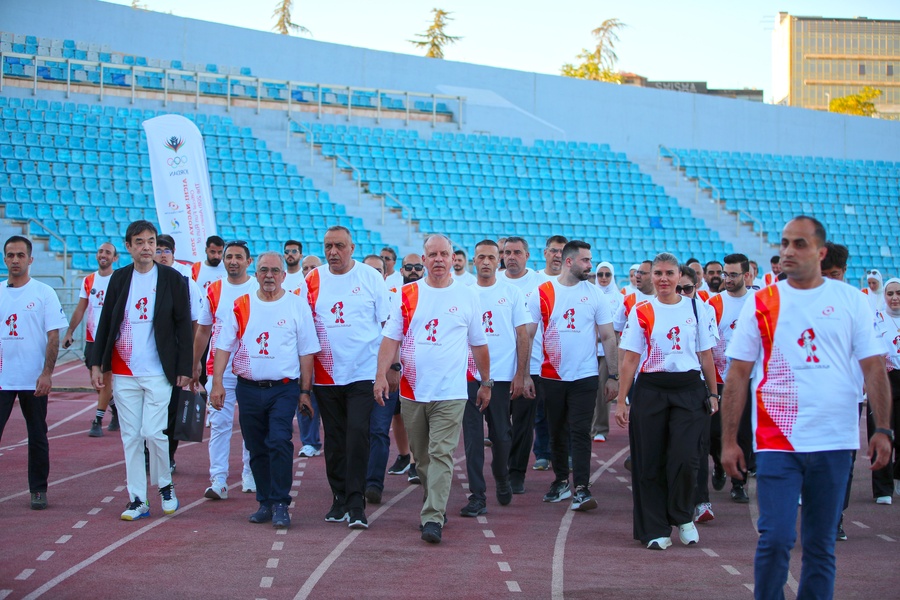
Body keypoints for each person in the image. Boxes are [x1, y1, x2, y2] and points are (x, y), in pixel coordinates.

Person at [721, 216, 892, 599]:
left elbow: (874, 368)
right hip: (776, 439)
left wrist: (883, 429)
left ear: (820, 251)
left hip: (834, 440)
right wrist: (729, 440)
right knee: (776, 538)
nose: (788, 252)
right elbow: (737, 375)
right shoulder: (762, 303)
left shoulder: (852, 301)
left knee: (819, 545)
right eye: (784, 243)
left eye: (799, 244)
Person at [374, 234, 490, 544]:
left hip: (451, 393)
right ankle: (434, 500)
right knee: (422, 459)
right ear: (423, 261)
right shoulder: (406, 294)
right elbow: (390, 340)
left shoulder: (468, 296)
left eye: (444, 254)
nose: (438, 259)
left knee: (441, 454)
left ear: (453, 259)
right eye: (432, 254)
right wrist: (381, 375)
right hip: (413, 392)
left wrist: (486, 381)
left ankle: (433, 516)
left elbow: (479, 344)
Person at [89, 220, 193, 521]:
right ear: (129, 246)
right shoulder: (120, 279)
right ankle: (137, 499)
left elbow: (182, 325)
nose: (146, 247)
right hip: (123, 372)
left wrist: (185, 367)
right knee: (131, 437)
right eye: (140, 242)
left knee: (153, 432)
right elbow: (106, 322)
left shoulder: (173, 279)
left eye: (150, 241)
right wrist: (98, 363)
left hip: (159, 371)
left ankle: (165, 486)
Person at [615, 252, 718, 550]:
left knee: (686, 458)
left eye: (669, 273)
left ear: (679, 277)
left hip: (689, 389)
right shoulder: (642, 311)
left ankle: (683, 516)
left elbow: (706, 356)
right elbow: (631, 358)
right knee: (649, 460)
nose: (663, 279)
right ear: (651, 277)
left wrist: (713, 394)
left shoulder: (698, 310)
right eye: (657, 273)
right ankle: (655, 528)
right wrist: (621, 400)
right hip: (651, 389)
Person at [211, 251, 320, 529]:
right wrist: (217, 382)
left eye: (274, 271)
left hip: (283, 389)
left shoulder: (296, 305)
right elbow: (223, 346)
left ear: (283, 275)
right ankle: (265, 502)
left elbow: (307, 352)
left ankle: (281, 502)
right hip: (248, 388)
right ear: (255, 274)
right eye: (263, 271)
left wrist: (305, 392)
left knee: (280, 441)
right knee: (255, 445)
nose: (269, 276)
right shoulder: (241, 305)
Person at [306, 226, 391, 530]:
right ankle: (338, 497)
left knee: (357, 434)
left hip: (362, 373)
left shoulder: (370, 277)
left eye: (339, 246)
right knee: (335, 440)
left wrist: (386, 371)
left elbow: (388, 325)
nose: (333, 252)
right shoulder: (312, 280)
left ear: (352, 248)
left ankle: (357, 503)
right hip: (326, 375)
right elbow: (304, 329)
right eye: (328, 246)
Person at [529, 240, 619, 511]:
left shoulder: (595, 294)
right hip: (551, 376)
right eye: (586, 260)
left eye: (591, 260)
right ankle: (560, 482)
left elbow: (608, 336)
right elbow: (528, 334)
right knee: (557, 431)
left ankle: (581, 487)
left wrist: (613, 375)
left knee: (580, 431)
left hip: (586, 376)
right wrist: (523, 374)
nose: (590, 265)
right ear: (569, 262)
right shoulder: (542, 292)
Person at [460, 240, 531, 517]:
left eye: (491, 257)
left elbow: (522, 335)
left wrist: (521, 374)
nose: (486, 262)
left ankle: (501, 475)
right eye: (481, 257)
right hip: (469, 376)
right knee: (472, 439)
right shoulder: (463, 293)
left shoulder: (511, 293)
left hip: (501, 378)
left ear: (498, 260)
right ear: (474, 262)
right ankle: (477, 495)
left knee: (502, 436)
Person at [0, 235, 68, 510]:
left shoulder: (44, 293)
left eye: (20, 255)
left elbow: (53, 337)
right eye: (10, 255)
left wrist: (47, 373)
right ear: (5, 259)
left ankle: (38, 490)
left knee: (37, 434)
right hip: (2, 379)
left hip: (34, 379)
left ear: (30, 259)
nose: (15, 260)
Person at [192, 240, 258, 500]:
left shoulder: (257, 288)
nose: (232, 261)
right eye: (229, 256)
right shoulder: (214, 290)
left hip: (252, 368)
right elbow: (203, 329)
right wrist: (194, 362)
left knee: (251, 424)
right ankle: (218, 479)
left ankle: (249, 473)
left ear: (248, 261)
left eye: (238, 257)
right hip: (219, 371)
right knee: (219, 424)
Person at [694, 255, 754, 525]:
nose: (727, 279)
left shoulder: (757, 302)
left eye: (733, 275)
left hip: (749, 378)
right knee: (716, 430)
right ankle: (719, 462)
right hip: (718, 378)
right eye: (725, 274)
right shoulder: (713, 303)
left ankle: (738, 482)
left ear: (746, 275)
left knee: (744, 430)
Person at [500, 236, 551, 491]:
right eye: (507, 252)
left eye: (517, 252)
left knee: (523, 423)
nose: (511, 256)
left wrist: (530, 371)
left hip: (531, 366)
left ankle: (516, 473)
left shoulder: (542, 284)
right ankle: (503, 467)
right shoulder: (494, 282)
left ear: (527, 255)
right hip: (498, 368)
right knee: (499, 425)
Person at [154, 234, 204, 473]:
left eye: (166, 250)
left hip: (174, 356)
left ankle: (168, 455)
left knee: (171, 408)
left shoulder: (186, 282)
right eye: (158, 249)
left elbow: (196, 323)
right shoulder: (140, 279)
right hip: (147, 357)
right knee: (148, 410)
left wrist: (193, 360)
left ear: (173, 254)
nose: (162, 254)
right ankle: (147, 453)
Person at [64, 242, 119, 437]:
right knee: (95, 381)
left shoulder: (118, 280)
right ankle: (116, 410)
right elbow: (81, 308)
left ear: (115, 258)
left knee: (104, 379)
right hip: (92, 339)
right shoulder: (88, 281)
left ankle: (98, 419)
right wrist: (70, 331)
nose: (103, 255)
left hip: (110, 340)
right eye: (100, 251)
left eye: (108, 252)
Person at [385, 253, 427, 484]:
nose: (413, 271)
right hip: (395, 363)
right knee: (397, 414)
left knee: (417, 414)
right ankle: (404, 455)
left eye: (417, 267)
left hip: (418, 365)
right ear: (400, 271)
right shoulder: (393, 295)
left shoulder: (428, 294)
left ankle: (414, 461)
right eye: (408, 267)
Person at [363, 254, 399, 505]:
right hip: (355, 375)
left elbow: (397, 337)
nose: (373, 275)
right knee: (356, 430)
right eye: (368, 271)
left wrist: (393, 368)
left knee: (379, 429)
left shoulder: (396, 301)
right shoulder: (353, 298)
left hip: (384, 375)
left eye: (378, 271)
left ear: (386, 275)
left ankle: (374, 482)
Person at [874, 279, 900, 502]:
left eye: (898, 293)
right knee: (883, 429)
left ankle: (898, 474)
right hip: (885, 379)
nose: (894, 298)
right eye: (890, 293)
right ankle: (883, 489)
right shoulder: (878, 318)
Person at [591, 261, 623, 443]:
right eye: (600, 274)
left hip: (606, 350)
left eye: (607, 275)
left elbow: (619, 326)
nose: (603, 278)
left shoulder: (619, 298)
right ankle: (587, 426)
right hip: (588, 349)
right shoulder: (591, 294)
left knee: (603, 388)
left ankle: (600, 428)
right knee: (587, 388)